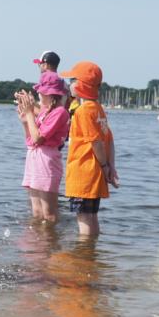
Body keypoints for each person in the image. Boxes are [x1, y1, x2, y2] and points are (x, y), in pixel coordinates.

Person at [60, 61, 118, 236]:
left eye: (72, 80)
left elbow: (96, 142)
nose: (69, 84)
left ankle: (84, 252)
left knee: (84, 218)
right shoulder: (98, 109)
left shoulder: (83, 111)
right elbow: (109, 140)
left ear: (81, 85)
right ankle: (92, 249)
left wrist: (105, 166)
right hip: (95, 174)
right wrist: (110, 166)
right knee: (92, 216)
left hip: (83, 174)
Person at [15, 71, 71, 223]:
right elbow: (30, 140)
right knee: (37, 212)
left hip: (47, 161)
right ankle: (39, 237)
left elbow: (38, 138)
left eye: (41, 92)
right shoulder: (44, 112)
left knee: (49, 213)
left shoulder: (60, 112)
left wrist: (29, 113)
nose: (38, 95)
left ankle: (51, 237)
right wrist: (25, 120)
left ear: (51, 95)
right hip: (34, 159)